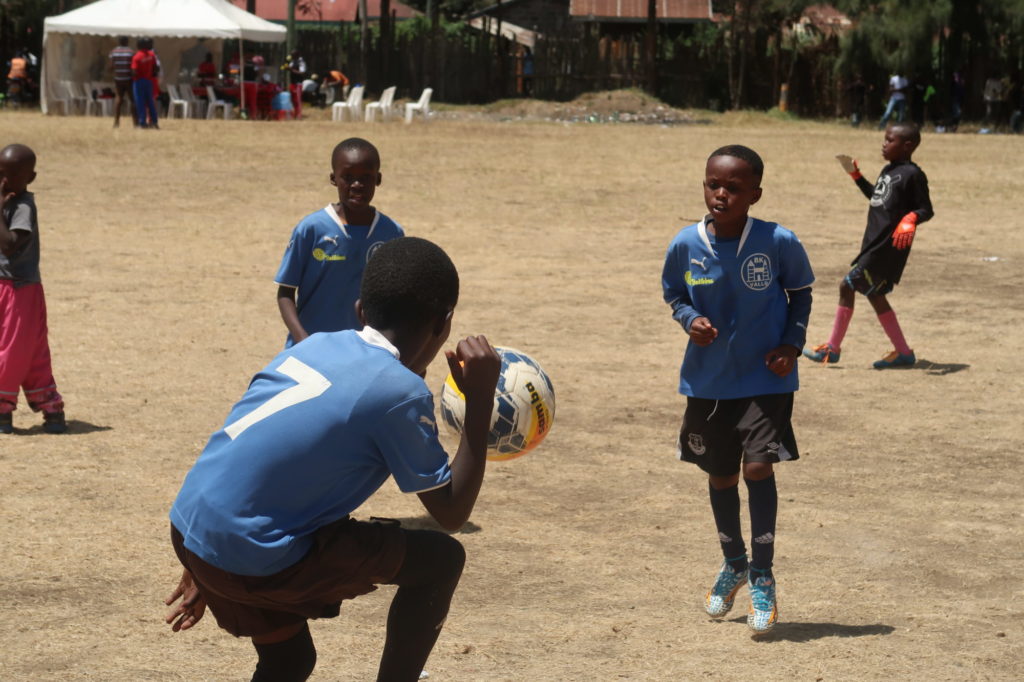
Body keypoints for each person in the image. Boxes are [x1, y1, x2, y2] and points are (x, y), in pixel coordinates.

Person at [165, 236, 501, 682]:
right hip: (250, 554)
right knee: (440, 561)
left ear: (362, 310)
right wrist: (479, 403)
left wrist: (201, 559)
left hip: (192, 530)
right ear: (443, 322)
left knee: (290, 660)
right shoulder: (399, 395)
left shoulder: (316, 346)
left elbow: (243, 449)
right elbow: (453, 510)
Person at [661, 145, 814, 634]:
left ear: (755, 193)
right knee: (721, 474)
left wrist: (791, 343)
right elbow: (675, 294)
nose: (721, 193)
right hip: (707, 382)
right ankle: (734, 562)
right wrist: (690, 319)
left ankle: (764, 574)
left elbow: (802, 292)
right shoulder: (686, 244)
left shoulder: (776, 241)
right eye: (713, 184)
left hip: (765, 379)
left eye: (733, 187)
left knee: (757, 465)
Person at [804, 122, 933, 369]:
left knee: (847, 285)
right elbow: (877, 196)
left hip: (887, 248)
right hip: (874, 244)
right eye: (884, 139)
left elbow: (926, 209)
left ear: (907, 146)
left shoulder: (914, 175)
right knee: (875, 294)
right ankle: (904, 352)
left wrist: (911, 218)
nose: (884, 144)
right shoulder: (889, 170)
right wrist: (856, 175)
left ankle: (833, 348)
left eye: (889, 140)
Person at [275, 138, 404, 347]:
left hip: (364, 350)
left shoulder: (391, 233)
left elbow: (396, 298)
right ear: (333, 178)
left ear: (378, 179)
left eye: (366, 177)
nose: (357, 185)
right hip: (312, 348)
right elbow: (285, 291)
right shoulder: (312, 229)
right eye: (348, 177)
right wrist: (302, 340)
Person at [0, 144, 66, 435]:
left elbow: (10, 243)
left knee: (13, 350)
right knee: (30, 350)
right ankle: (52, 410)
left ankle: (2, 410)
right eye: (0, 172)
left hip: (19, 288)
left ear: (30, 178)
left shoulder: (23, 205)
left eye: (12, 175)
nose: (3, 180)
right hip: (7, 286)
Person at [131, 37, 159, 129]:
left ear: (139, 45)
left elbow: (134, 71)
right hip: (149, 81)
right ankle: (154, 122)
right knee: (150, 102)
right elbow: (156, 68)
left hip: (139, 82)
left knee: (140, 102)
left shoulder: (136, 56)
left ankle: (142, 123)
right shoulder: (151, 55)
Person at [108, 36, 136, 128]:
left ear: (119, 42)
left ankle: (116, 122)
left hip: (118, 78)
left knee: (118, 99)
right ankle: (135, 122)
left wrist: (115, 71)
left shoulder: (113, 52)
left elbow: (111, 66)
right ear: (127, 41)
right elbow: (133, 66)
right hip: (128, 79)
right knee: (133, 100)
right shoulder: (130, 52)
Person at [284, 49, 307, 118]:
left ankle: (299, 115)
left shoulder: (301, 62)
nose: (291, 56)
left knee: (298, 100)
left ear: (297, 55)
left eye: (293, 55)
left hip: (298, 84)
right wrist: (286, 67)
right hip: (292, 83)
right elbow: (289, 68)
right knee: (292, 100)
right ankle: (294, 114)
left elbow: (302, 73)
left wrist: (291, 70)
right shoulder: (292, 62)